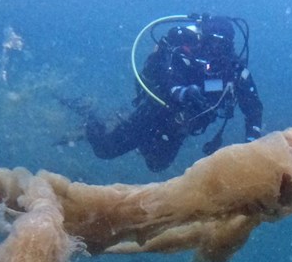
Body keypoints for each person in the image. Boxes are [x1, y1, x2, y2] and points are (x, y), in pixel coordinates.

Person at [71, 13, 264, 172]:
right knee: (105, 150)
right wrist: (181, 92)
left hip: (180, 127)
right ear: (203, 41)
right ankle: (89, 114)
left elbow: (254, 109)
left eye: (223, 45)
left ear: (231, 45)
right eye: (212, 42)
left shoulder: (235, 73)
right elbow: (165, 74)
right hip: (155, 112)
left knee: (156, 165)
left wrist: (252, 143)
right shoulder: (184, 55)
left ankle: (131, 130)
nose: (217, 50)